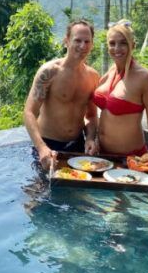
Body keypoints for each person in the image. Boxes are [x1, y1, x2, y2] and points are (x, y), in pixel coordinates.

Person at [88, 20, 148, 170]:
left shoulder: (145, 78)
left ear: (133, 45)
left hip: (131, 159)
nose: (117, 48)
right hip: (103, 156)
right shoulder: (109, 73)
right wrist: (93, 139)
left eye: (123, 43)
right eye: (112, 43)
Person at [23, 19, 100, 170]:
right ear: (66, 40)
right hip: (48, 144)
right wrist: (41, 148)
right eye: (77, 40)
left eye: (87, 41)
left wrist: (90, 139)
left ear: (92, 44)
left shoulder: (93, 76)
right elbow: (29, 112)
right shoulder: (49, 72)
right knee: (42, 191)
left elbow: (91, 115)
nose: (82, 46)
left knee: (78, 191)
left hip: (77, 145)